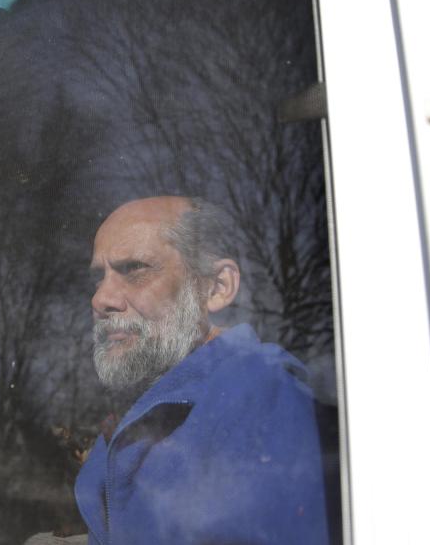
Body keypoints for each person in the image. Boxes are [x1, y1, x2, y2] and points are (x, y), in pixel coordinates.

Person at [73, 196, 330, 545]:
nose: (101, 298)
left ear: (217, 288)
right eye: (99, 277)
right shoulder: (146, 411)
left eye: (135, 270)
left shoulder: (264, 404)